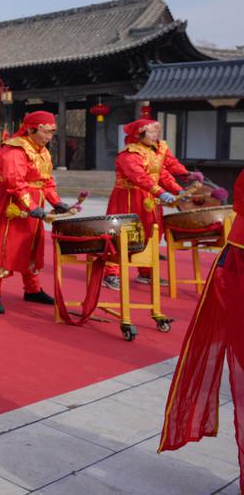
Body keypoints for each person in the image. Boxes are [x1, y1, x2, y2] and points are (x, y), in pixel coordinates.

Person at [160, 170, 244, 478]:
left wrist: (180, 179)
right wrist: (172, 191)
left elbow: (168, 166)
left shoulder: (159, 147)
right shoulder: (132, 156)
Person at [0, 111, 69, 314]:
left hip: (33, 203)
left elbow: (46, 181)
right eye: (45, 132)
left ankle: (32, 288)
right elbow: (15, 182)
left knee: (32, 244)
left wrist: (57, 202)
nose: (49, 137)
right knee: (3, 246)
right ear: (31, 129)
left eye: (51, 132)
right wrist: (32, 207)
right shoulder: (14, 149)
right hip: (12, 205)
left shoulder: (43, 151)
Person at [102, 118, 199, 290]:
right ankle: (111, 273)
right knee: (122, 233)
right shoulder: (129, 154)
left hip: (150, 197)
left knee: (152, 231)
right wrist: (162, 193)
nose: (156, 135)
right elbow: (139, 177)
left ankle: (145, 271)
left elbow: (163, 173)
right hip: (128, 198)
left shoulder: (156, 150)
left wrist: (180, 187)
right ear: (139, 134)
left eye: (157, 131)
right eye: (152, 132)